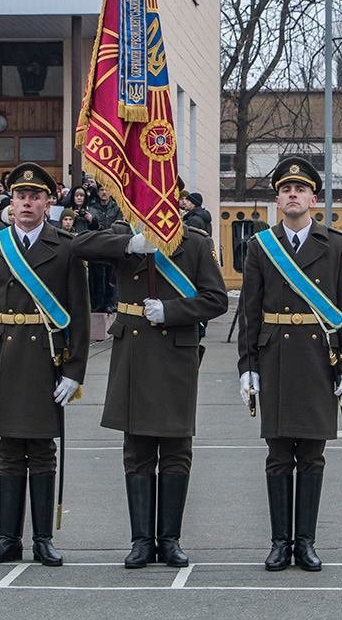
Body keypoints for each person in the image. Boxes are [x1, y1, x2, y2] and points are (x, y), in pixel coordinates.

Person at [72, 218, 227, 568]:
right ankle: (141, 540)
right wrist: (130, 244)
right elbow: (79, 245)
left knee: (175, 449)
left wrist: (172, 310)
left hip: (176, 351)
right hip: (135, 354)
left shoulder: (196, 243)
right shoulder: (125, 237)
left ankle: (169, 540)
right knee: (138, 449)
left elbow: (217, 299)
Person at [237, 155, 342, 572]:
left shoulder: (336, 246)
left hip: (317, 361)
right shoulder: (260, 246)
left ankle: (304, 542)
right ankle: (279, 543)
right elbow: (250, 312)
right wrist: (247, 367)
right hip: (273, 360)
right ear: (277, 198)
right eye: (286, 189)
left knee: (311, 457)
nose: (293, 195)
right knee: (277, 457)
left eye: (301, 189)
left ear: (314, 197)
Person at [0, 163, 90, 568]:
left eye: (35, 196)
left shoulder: (66, 246)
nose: (27, 203)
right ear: (11, 201)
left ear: (47, 202)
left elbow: (79, 314)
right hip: (3, 356)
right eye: (21, 196)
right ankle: (7, 539)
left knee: (41, 450)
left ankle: (42, 539)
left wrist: (74, 372)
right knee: (8, 450)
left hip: (45, 360)